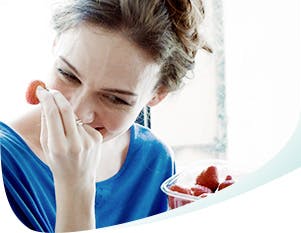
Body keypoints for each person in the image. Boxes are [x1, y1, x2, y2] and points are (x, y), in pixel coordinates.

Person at [0, 0, 210, 232]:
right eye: (68, 74)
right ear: (55, 43)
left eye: (115, 99)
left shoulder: (154, 161)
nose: (78, 111)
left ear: (157, 95)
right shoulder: (5, 160)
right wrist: (76, 188)